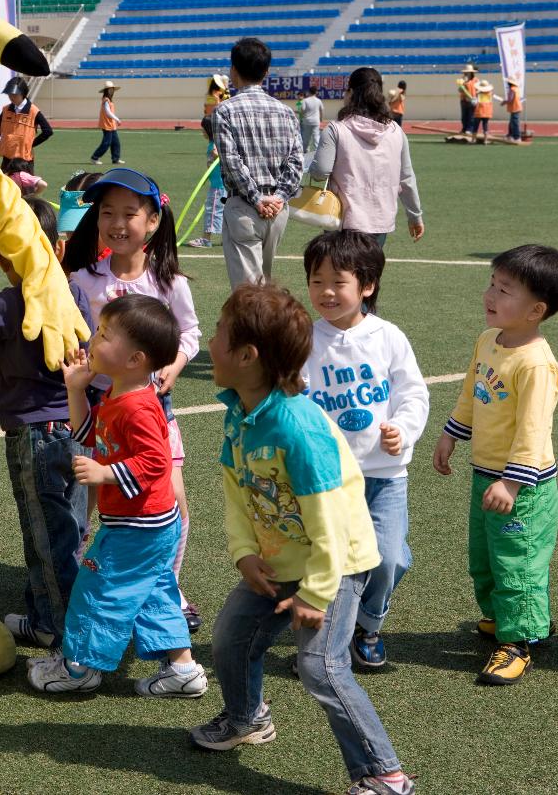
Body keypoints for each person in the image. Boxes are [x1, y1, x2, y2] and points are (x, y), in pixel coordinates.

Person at [192, 282, 413, 795]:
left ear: (247, 356)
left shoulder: (297, 427)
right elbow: (236, 487)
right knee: (230, 636)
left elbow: (330, 517)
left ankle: (385, 774)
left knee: (320, 667)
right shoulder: (240, 413)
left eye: (220, 334)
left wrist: (315, 592)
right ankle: (247, 719)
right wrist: (244, 552)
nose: (210, 343)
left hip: (334, 563)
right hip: (278, 559)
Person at [29, 294, 206, 697]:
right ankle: (183, 668)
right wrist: (76, 390)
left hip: (137, 526)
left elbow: (155, 463)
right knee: (154, 591)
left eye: (105, 335)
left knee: (96, 588)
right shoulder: (120, 396)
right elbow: (88, 434)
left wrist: (105, 473)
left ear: (134, 360)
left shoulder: (139, 407)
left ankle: (79, 670)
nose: (94, 339)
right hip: (151, 524)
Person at [62, 168, 203, 631]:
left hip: (155, 411)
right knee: (90, 501)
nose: (117, 223)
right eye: (107, 213)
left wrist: (175, 365)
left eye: (129, 213)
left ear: (154, 221)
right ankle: (85, 580)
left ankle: (165, 586)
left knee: (173, 500)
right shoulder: (83, 280)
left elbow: (190, 334)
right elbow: (74, 336)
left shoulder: (170, 283)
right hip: (101, 413)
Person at [433, 245, 558, 686]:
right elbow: (470, 394)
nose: (490, 295)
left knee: (518, 563)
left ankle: (519, 642)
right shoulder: (487, 340)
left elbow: (533, 431)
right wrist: (451, 435)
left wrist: (512, 485)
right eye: (492, 284)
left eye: (505, 290)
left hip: (523, 489)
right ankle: (504, 619)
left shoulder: (535, 363)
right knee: (484, 559)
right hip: (485, 475)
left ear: (536, 310)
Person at [0, 197, 95, 648]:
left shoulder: (7, 303)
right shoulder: (74, 293)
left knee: (44, 535)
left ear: (1, 254)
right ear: (56, 248)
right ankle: (46, 614)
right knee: (70, 531)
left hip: (33, 436)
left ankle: (58, 630)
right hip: (78, 428)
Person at [301, 231, 429, 669]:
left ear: (367, 285)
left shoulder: (388, 337)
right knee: (329, 559)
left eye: (338, 282)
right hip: (330, 477)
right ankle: (323, 636)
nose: (326, 292)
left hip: (384, 474)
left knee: (389, 558)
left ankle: (367, 625)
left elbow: (414, 395)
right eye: (316, 282)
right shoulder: (305, 340)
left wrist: (403, 430)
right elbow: (292, 398)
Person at [207, 38, 304, 289]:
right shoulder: (286, 111)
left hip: (245, 207)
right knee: (264, 285)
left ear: (233, 70)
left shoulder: (225, 111)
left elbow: (231, 162)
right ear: (266, 72)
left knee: (248, 293)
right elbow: (296, 161)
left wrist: (257, 198)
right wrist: (279, 197)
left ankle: (258, 329)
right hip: (277, 211)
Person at [309, 67, 425, 247]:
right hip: (380, 221)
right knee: (369, 273)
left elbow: (320, 172)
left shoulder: (336, 129)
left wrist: (312, 161)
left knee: (342, 273)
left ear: (351, 92)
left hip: (342, 220)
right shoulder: (396, 131)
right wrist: (415, 216)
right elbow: (406, 179)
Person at [188, 73, 230, 249]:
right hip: (218, 183)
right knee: (224, 211)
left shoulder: (216, 145)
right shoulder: (215, 142)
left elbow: (224, 159)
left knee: (212, 210)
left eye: (203, 130)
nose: (201, 133)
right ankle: (228, 238)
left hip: (219, 185)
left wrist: (216, 155)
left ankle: (206, 239)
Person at [0, 75, 53, 173]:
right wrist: (7, 139)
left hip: (24, 160)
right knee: (4, 187)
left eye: (14, 95)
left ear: (23, 94)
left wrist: (31, 144)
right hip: (7, 157)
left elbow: (48, 131)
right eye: (9, 94)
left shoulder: (33, 111)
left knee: (26, 187)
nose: (11, 97)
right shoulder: (6, 109)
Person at [90, 81, 124, 165]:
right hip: (106, 125)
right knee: (106, 143)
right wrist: (117, 119)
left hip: (111, 125)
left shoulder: (109, 100)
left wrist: (115, 121)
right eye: (109, 89)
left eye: (112, 89)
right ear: (106, 90)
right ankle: (94, 157)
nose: (111, 91)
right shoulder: (106, 100)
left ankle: (115, 159)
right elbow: (108, 112)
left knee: (116, 143)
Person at [298, 86, 324, 155]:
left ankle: (304, 153)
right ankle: (317, 153)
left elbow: (302, 110)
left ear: (309, 92)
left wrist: (303, 117)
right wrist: (321, 120)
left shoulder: (305, 100)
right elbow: (321, 111)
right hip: (316, 121)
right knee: (316, 137)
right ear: (316, 92)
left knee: (306, 139)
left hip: (307, 121)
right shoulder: (319, 101)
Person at [496, 78, 522, 142]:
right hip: (516, 107)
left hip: (515, 108)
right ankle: (510, 135)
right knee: (512, 122)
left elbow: (510, 100)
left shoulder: (512, 89)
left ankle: (516, 137)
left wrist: (503, 102)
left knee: (514, 123)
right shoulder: (516, 88)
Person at [457, 64, 478, 136]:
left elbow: (478, 89)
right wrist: (463, 84)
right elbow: (460, 89)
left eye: (469, 72)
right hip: (464, 100)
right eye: (466, 72)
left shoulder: (476, 80)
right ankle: (464, 128)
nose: (467, 73)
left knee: (471, 116)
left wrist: (476, 98)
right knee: (464, 116)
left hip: (473, 100)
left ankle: (470, 129)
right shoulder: (462, 79)